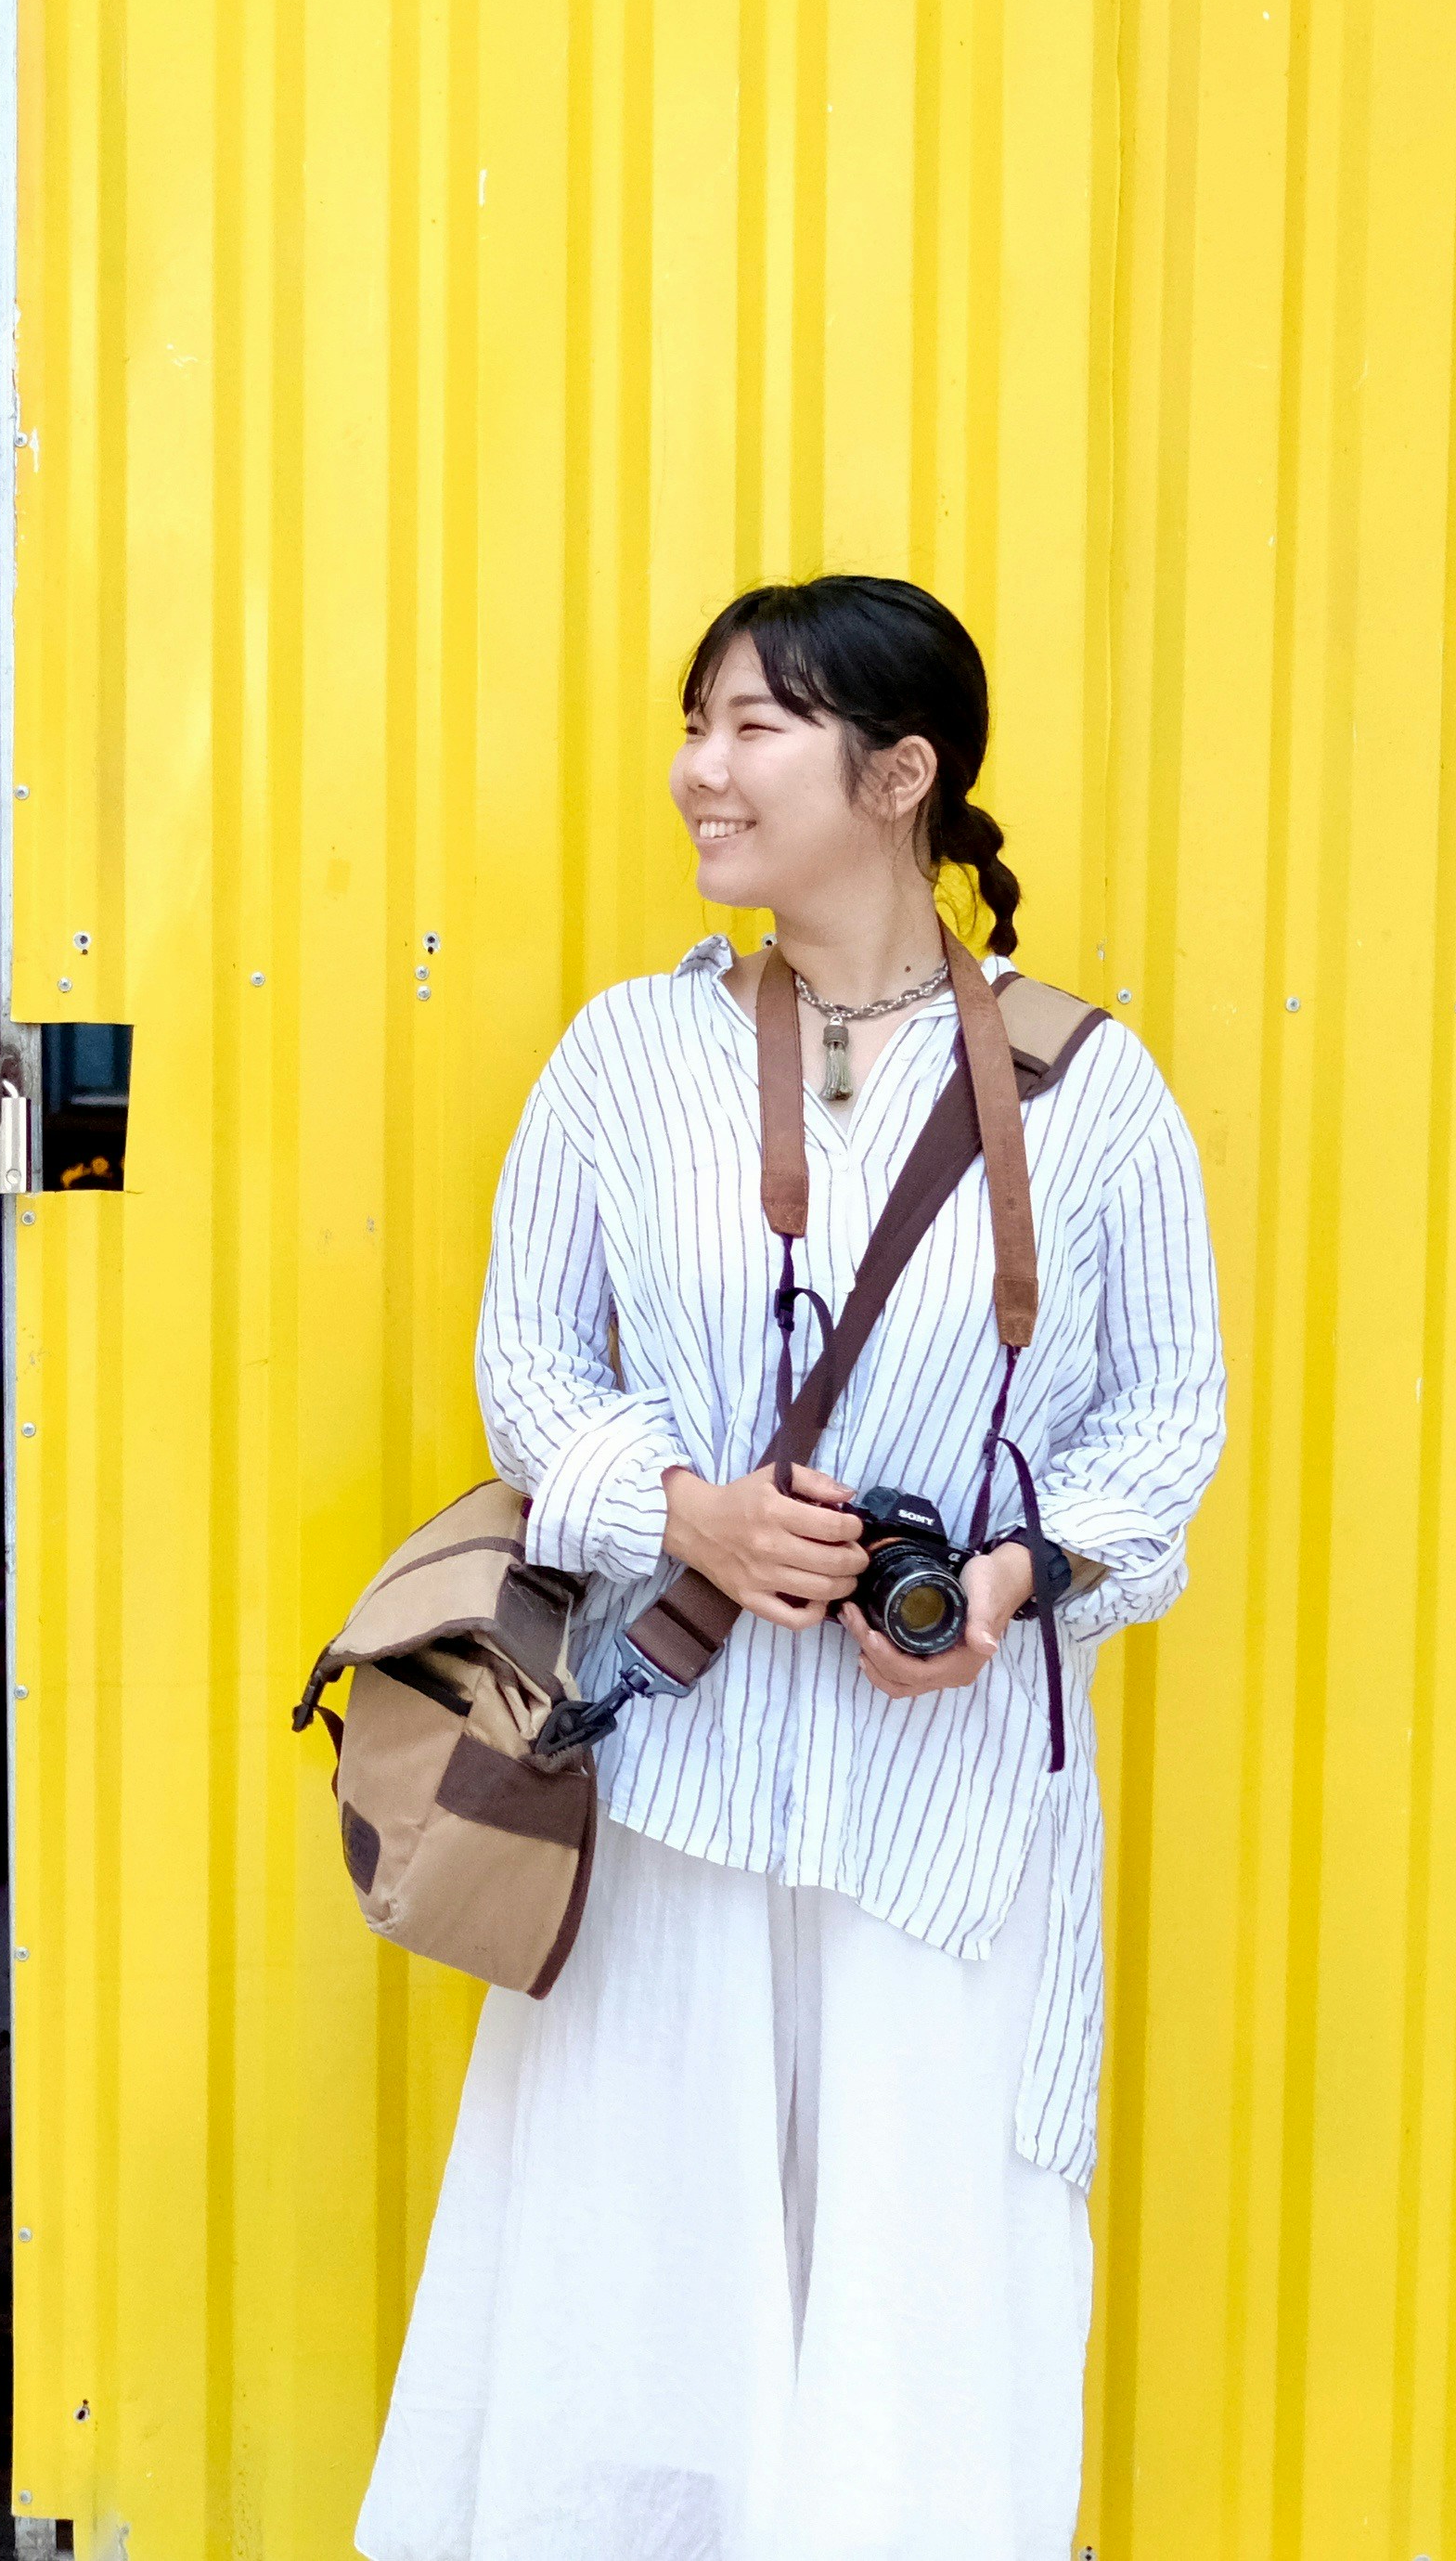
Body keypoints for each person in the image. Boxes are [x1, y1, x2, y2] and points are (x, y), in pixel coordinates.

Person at [356, 575, 1231, 2561]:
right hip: (674, 1793)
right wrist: (687, 1513)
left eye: (755, 725)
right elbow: (528, 1372)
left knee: (919, 2322)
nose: (702, 768)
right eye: (698, 722)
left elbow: (1167, 1420)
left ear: (899, 775)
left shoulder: (1092, 1093)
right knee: (632, 2305)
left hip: (946, 1822)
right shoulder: (625, 1055)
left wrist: (1012, 1584)